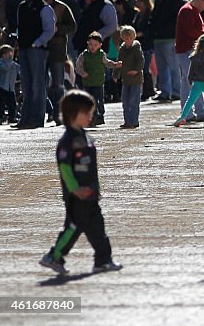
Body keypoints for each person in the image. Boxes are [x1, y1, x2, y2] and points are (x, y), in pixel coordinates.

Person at [39, 90, 123, 275]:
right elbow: (65, 168)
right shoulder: (67, 141)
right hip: (77, 196)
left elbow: (92, 168)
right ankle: (54, 256)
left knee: (98, 229)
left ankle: (103, 260)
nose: (90, 116)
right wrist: (75, 189)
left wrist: (96, 188)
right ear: (72, 114)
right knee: (73, 227)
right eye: (86, 113)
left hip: (90, 193)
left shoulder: (85, 137)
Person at [16, 0, 55, 129]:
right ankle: (25, 117)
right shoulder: (22, 6)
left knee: (38, 84)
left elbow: (49, 30)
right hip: (24, 49)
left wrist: (37, 43)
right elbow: (19, 26)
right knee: (26, 85)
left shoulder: (45, 8)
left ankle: (37, 118)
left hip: (37, 50)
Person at [42, 0, 76, 124]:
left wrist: (58, 29)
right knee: (41, 84)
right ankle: (48, 111)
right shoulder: (38, 7)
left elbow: (72, 26)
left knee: (58, 85)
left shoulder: (62, 7)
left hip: (57, 50)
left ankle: (58, 114)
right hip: (40, 50)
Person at [76, 32, 121, 126]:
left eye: (95, 45)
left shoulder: (101, 55)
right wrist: (82, 73)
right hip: (87, 83)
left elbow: (107, 63)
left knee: (99, 100)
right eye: (91, 44)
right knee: (90, 102)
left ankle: (100, 116)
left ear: (100, 45)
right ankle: (92, 118)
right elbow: (78, 67)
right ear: (87, 44)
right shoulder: (83, 55)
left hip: (99, 82)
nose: (93, 47)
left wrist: (115, 65)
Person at [174, 34, 204, 127]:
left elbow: (191, 70)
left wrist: (190, 79)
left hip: (197, 82)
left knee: (190, 100)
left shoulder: (194, 57)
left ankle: (183, 116)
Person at [151, 0, 183, 102]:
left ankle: (176, 91)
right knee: (162, 67)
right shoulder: (158, 1)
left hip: (171, 38)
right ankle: (165, 91)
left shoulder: (177, 2)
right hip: (159, 38)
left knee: (174, 66)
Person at [114, 26, 144, 129]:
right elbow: (119, 62)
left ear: (134, 37)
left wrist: (136, 70)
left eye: (130, 38)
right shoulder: (122, 49)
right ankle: (127, 121)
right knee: (125, 101)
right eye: (126, 38)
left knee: (134, 100)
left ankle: (134, 121)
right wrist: (116, 74)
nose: (128, 41)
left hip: (135, 78)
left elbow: (140, 60)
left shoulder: (136, 47)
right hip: (126, 79)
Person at [0, 44, 19, 124]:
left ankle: (12, 117)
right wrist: (9, 61)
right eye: (9, 54)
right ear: (3, 54)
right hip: (2, 86)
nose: (10, 57)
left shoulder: (13, 64)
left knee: (12, 103)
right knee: (1, 103)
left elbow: (18, 70)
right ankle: (0, 117)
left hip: (11, 87)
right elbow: (5, 68)